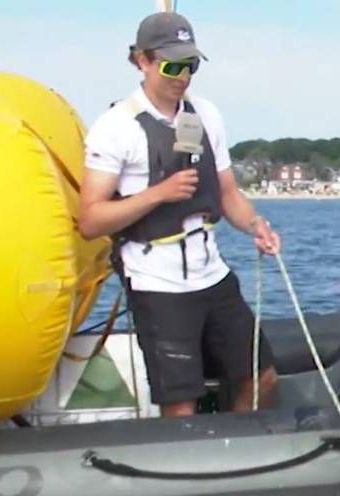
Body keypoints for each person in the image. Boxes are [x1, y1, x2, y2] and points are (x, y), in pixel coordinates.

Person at [78, 11, 279, 417]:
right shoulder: (115, 127)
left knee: (261, 378)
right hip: (157, 281)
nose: (182, 76)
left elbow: (227, 193)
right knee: (180, 401)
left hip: (212, 273)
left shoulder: (206, 114)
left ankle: (235, 451)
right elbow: (90, 221)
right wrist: (158, 194)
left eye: (190, 65)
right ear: (142, 61)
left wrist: (255, 226)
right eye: (171, 65)